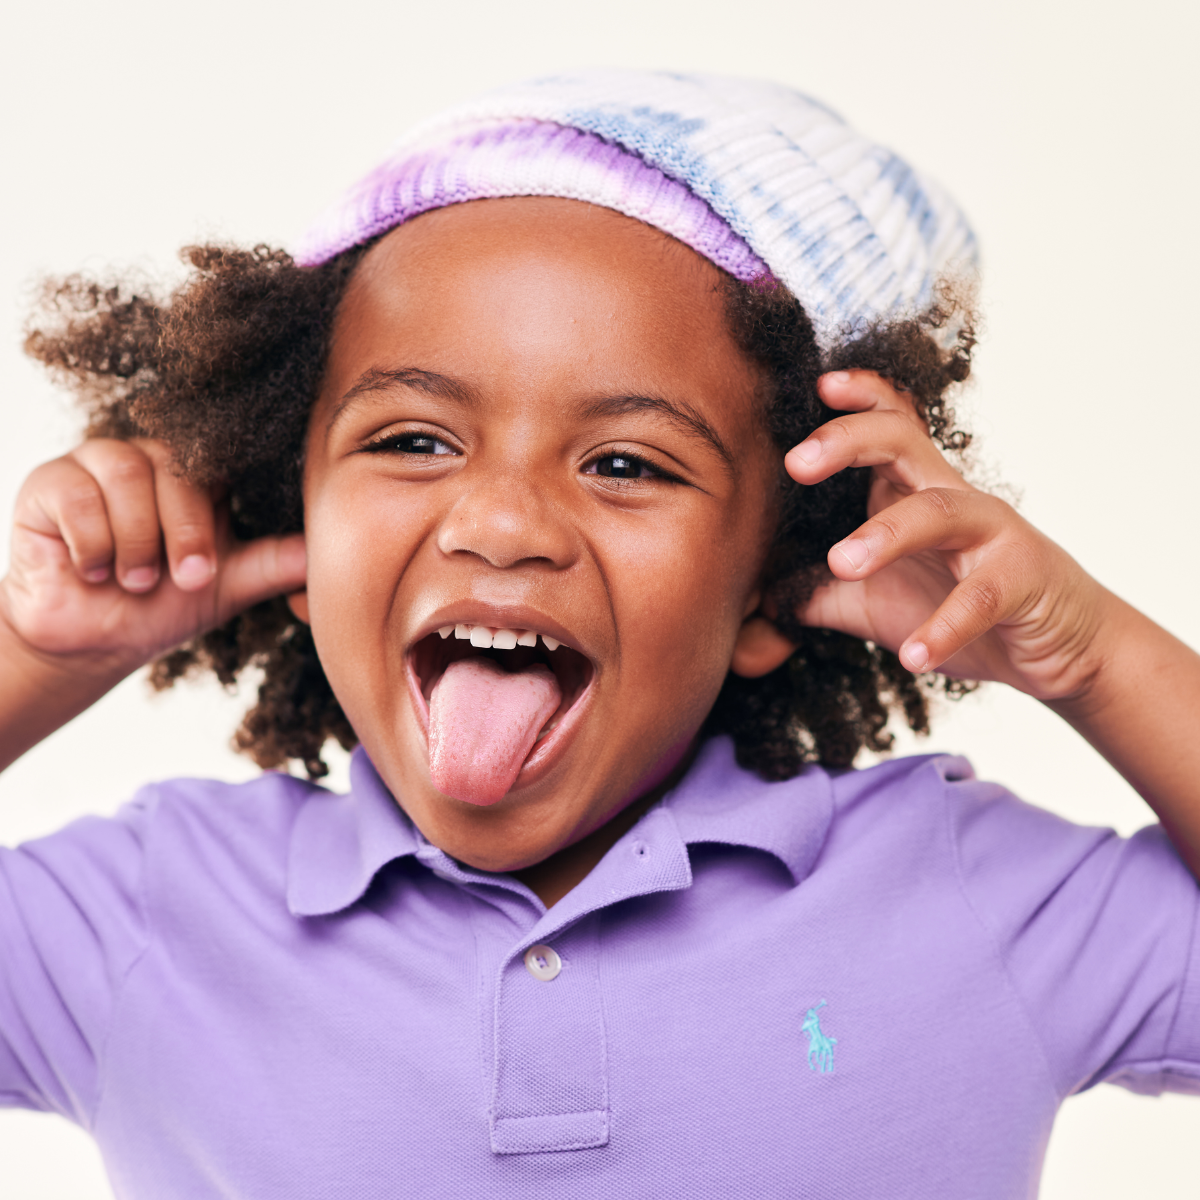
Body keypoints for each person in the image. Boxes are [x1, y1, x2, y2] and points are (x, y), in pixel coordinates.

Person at [1, 69, 1197, 1198]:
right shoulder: (156, 914)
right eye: (413, 439)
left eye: (626, 462)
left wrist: (1095, 662)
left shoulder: (961, 895)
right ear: (292, 519)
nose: (503, 522)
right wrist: (37, 656)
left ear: (774, 581)